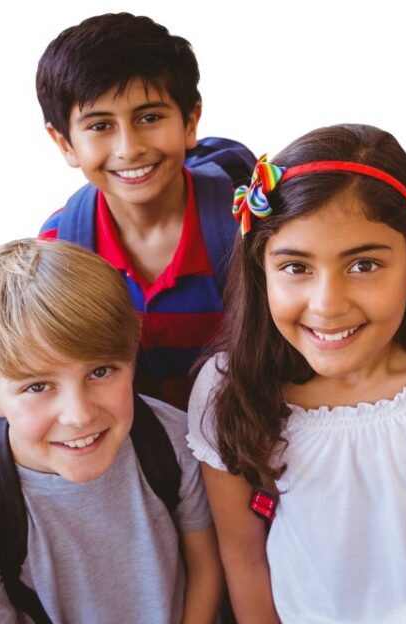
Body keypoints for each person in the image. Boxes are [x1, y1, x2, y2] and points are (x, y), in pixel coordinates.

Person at [187, 123, 406, 624]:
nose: (327, 303)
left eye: (364, 264)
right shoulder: (229, 390)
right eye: (296, 267)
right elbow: (242, 554)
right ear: (262, 270)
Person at [0, 239, 222, 624]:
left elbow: (207, 570)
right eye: (38, 386)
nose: (78, 415)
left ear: (131, 358)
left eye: (100, 371)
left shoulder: (174, 441)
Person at [37, 13, 256, 409]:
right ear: (64, 143)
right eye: (100, 126)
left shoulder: (247, 220)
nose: (129, 147)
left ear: (190, 122)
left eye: (150, 118)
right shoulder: (60, 249)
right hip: (145, 458)